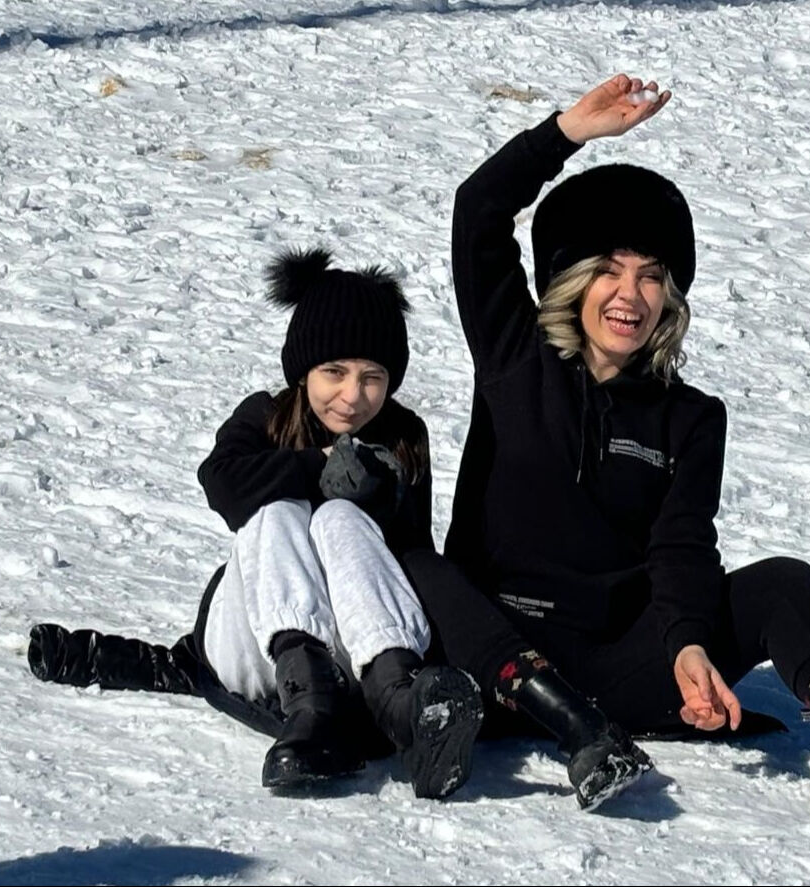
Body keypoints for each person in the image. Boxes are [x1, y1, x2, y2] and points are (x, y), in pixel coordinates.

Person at [401, 74, 810, 816]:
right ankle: (563, 722)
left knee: (781, 580)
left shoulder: (689, 417)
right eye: (610, 270)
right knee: (414, 560)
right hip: (493, 658)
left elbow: (681, 548)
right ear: (573, 281)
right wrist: (566, 134)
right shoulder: (514, 355)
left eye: (652, 275)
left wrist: (687, 647)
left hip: (619, 666)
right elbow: (478, 212)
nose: (631, 294)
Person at [27, 248, 483, 800]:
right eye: (334, 372)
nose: (352, 396)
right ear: (303, 371)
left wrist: (377, 499)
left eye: (373, 377)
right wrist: (316, 468)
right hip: (259, 652)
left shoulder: (403, 435)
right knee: (277, 510)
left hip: (361, 651)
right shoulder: (265, 417)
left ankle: (400, 701)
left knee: (341, 518)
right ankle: (310, 705)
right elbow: (222, 484)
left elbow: (411, 555)